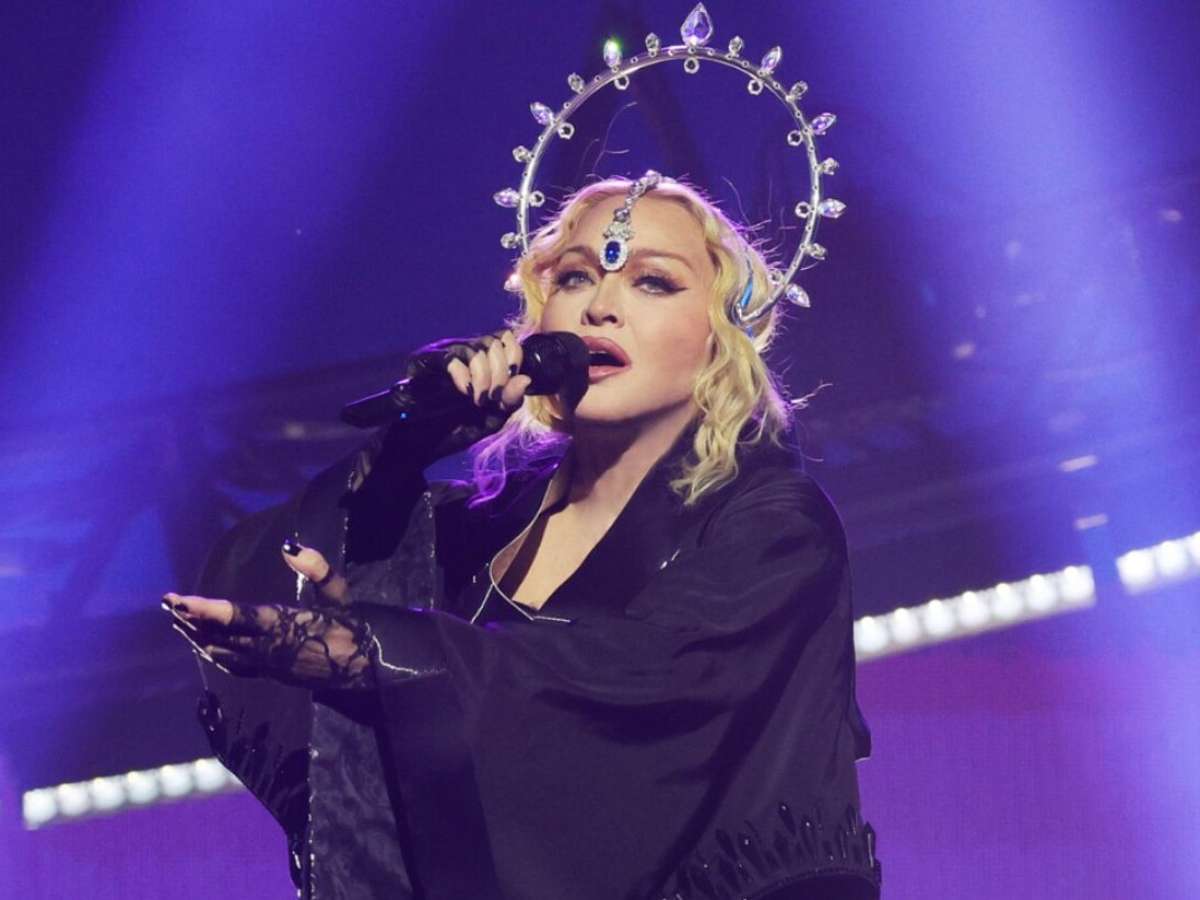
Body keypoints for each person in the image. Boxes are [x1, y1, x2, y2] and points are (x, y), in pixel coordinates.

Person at [163, 174, 881, 899]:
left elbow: (638, 687)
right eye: (575, 277)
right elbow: (261, 581)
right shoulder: (474, 525)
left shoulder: (773, 525)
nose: (600, 307)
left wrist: (373, 650)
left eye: (652, 283)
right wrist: (403, 453)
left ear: (722, 338)